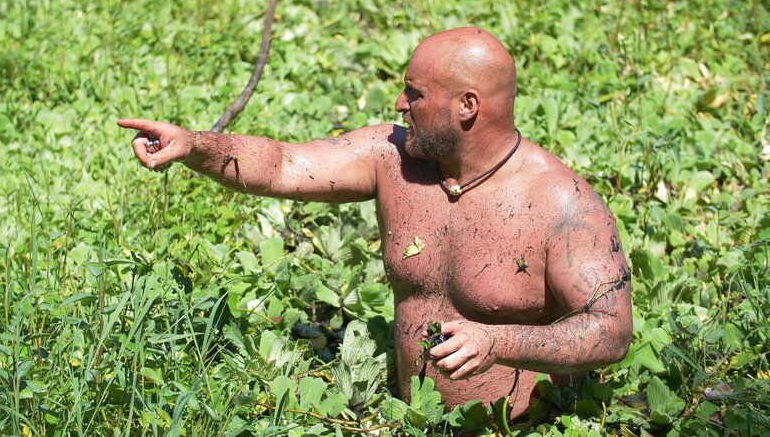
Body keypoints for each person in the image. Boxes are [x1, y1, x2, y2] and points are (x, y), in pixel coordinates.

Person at [118, 27, 632, 419]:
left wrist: (500, 343)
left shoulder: (563, 203)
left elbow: (612, 332)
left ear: (467, 106)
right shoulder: (392, 157)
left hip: (525, 427)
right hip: (405, 420)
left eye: (415, 94)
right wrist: (194, 145)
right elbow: (283, 165)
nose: (400, 105)